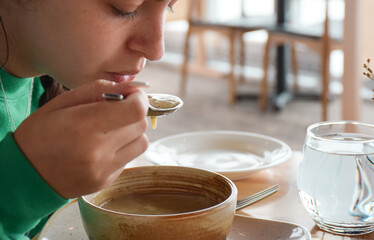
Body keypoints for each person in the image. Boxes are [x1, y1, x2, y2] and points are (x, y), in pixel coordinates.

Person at [0, 0, 177, 239]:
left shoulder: (50, 83)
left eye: (169, 6)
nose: (156, 50)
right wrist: (19, 189)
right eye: (125, 10)